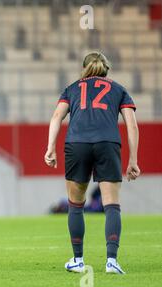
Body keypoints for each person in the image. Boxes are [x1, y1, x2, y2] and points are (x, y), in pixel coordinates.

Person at [44, 51, 140, 275]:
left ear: (84, 68)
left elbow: (56, 117)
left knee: (75, 204)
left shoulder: (72, 88)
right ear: (106, 68)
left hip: (77, 143)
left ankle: (78, 260)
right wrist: (133, 159)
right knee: (111, 204)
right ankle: (111, 261)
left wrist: (50, 147)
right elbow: (132, 125)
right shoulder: (118, 89)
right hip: (108, 143)